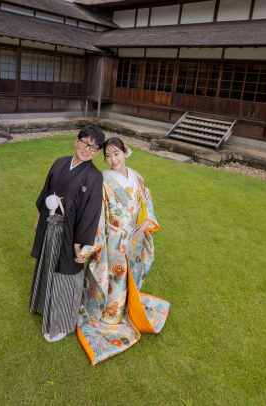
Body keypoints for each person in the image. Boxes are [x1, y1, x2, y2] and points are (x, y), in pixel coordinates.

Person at [76, 137, 170, 365]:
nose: (112, 159)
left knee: (131, 277)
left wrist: (146, 221)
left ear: (125, 152)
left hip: (135, 237)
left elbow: (146, 200)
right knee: (115, 279)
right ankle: (109, 317)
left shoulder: (137, 176)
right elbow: (97, 215)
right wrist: (89, 246)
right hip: (115, 239)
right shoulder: (103, 180)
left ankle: (127, 308)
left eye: (116, 154)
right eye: (108, 156)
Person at [29, 125, 105, 342]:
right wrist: (39, 215)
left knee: (66, 275)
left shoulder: (94, 176)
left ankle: (61, 324)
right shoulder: (60, 162)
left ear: (97, 152)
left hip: (71, 233)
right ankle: (43, 306)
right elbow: (47, 191)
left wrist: (80, 242)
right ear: (76, 141)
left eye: (93, 147)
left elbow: (91, 212)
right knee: (47, 265)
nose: (87, 149)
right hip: (50, 225)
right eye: (85, 143)